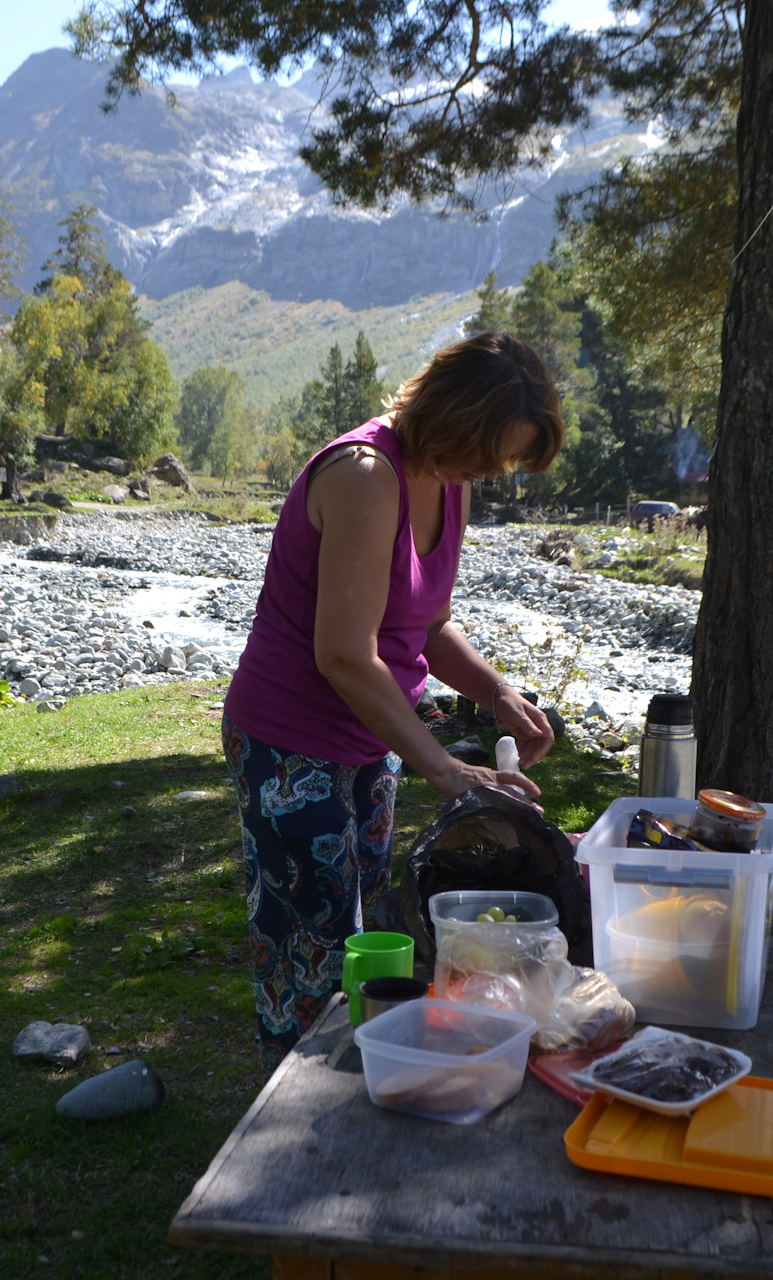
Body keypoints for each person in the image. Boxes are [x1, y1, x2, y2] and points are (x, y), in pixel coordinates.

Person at [222, 332, 565, 1067]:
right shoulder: (364, 475)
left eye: (502, 460)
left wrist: (497, 691)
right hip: (289, 740)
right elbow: (344, 652)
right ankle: (289, 1114)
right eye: (487, 449)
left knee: (370, 936)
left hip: (374, 738)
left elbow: (427, 622)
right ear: (451, 415)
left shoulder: (450, 481)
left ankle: (361, 1080)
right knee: (311, 947)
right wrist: (444, 766)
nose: (490, 471)